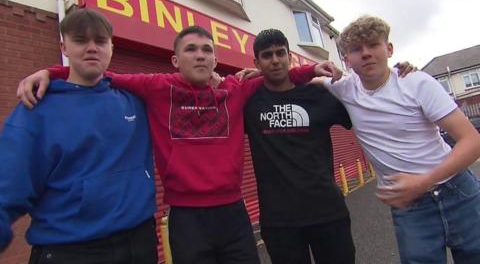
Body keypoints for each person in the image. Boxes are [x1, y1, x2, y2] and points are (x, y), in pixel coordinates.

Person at [18, 25, 336, 264]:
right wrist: (51, 72)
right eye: (191, 49)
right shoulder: (156, 87)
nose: (200, 55)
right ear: (175, 59)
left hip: (234, 215)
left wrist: (308, 69)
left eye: (207, 50)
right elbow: (100, 74)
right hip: (185, 219)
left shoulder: (236, 89)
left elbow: (274, 74)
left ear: (215, 59)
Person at [0, 9, 158, 264]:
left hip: (139, 243)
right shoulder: (36, 109)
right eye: (81, 41)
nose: (92, 48)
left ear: (112, 48)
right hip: (70, 250)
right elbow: (7, 186)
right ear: (64, 46)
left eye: (100, 41)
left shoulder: (134, 100)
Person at [323, 15, 480, 264]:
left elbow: (472, 141)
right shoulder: (344, 88)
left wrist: (423, 181)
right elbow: (289, 79)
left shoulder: (416, 82)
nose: (365, 54)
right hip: (411, 208)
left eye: (373, 44)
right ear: (346, 59)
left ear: (389, 49)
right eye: (356, 49)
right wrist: (262, 72)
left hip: (458, 192)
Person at [243, 29, 355, 264]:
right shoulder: (249, 103)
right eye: (267, 55)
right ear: (257, 62)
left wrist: (396, 74)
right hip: (279, 222)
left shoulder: (319, 94)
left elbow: (366, 105)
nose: (275, 60)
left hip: (328, 211)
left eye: (280, 53)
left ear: (289, 56)